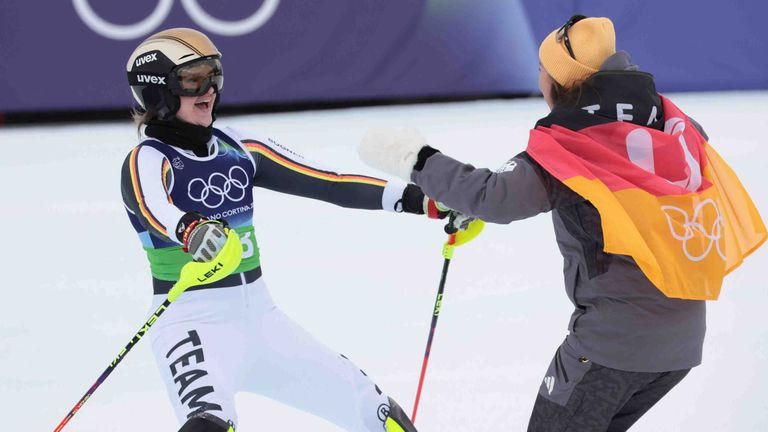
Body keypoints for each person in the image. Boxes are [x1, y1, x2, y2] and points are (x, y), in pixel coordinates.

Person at [358, 15, 766, 432]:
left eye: (542, 70)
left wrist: (416, 157)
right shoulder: (673, 123)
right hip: (681, 343)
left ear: (562, 81)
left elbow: (495, 197)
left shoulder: (572, 145)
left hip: (612, 346)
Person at [121, 27, 434, 432]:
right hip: (190, 324)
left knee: (372, 411)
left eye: (213, 74)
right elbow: (152, 206)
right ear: (158, 92)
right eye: (193, 79)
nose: (210, 88)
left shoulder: (238, 146)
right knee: (209, 425)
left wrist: (420, 200)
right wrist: (191, 231)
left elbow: (331, 181)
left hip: (263, 322)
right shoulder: (147, 158)